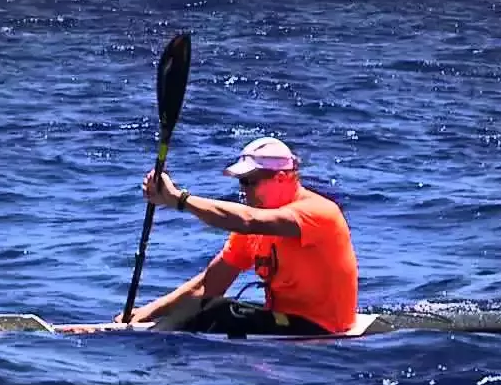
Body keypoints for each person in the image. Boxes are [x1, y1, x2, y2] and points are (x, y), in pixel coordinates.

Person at [118, 136, 359, 337]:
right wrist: (144, 315)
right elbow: (208, 286)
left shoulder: (318, 212)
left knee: (218, 311)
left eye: (249, 181)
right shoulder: (252, 230)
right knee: (210, 306)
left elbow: (247, 220)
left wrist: (180, 200)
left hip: (324, 329)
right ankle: (153, 337)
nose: (243, 190)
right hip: (284, 323)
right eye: (240, 182)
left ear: (282, 178)